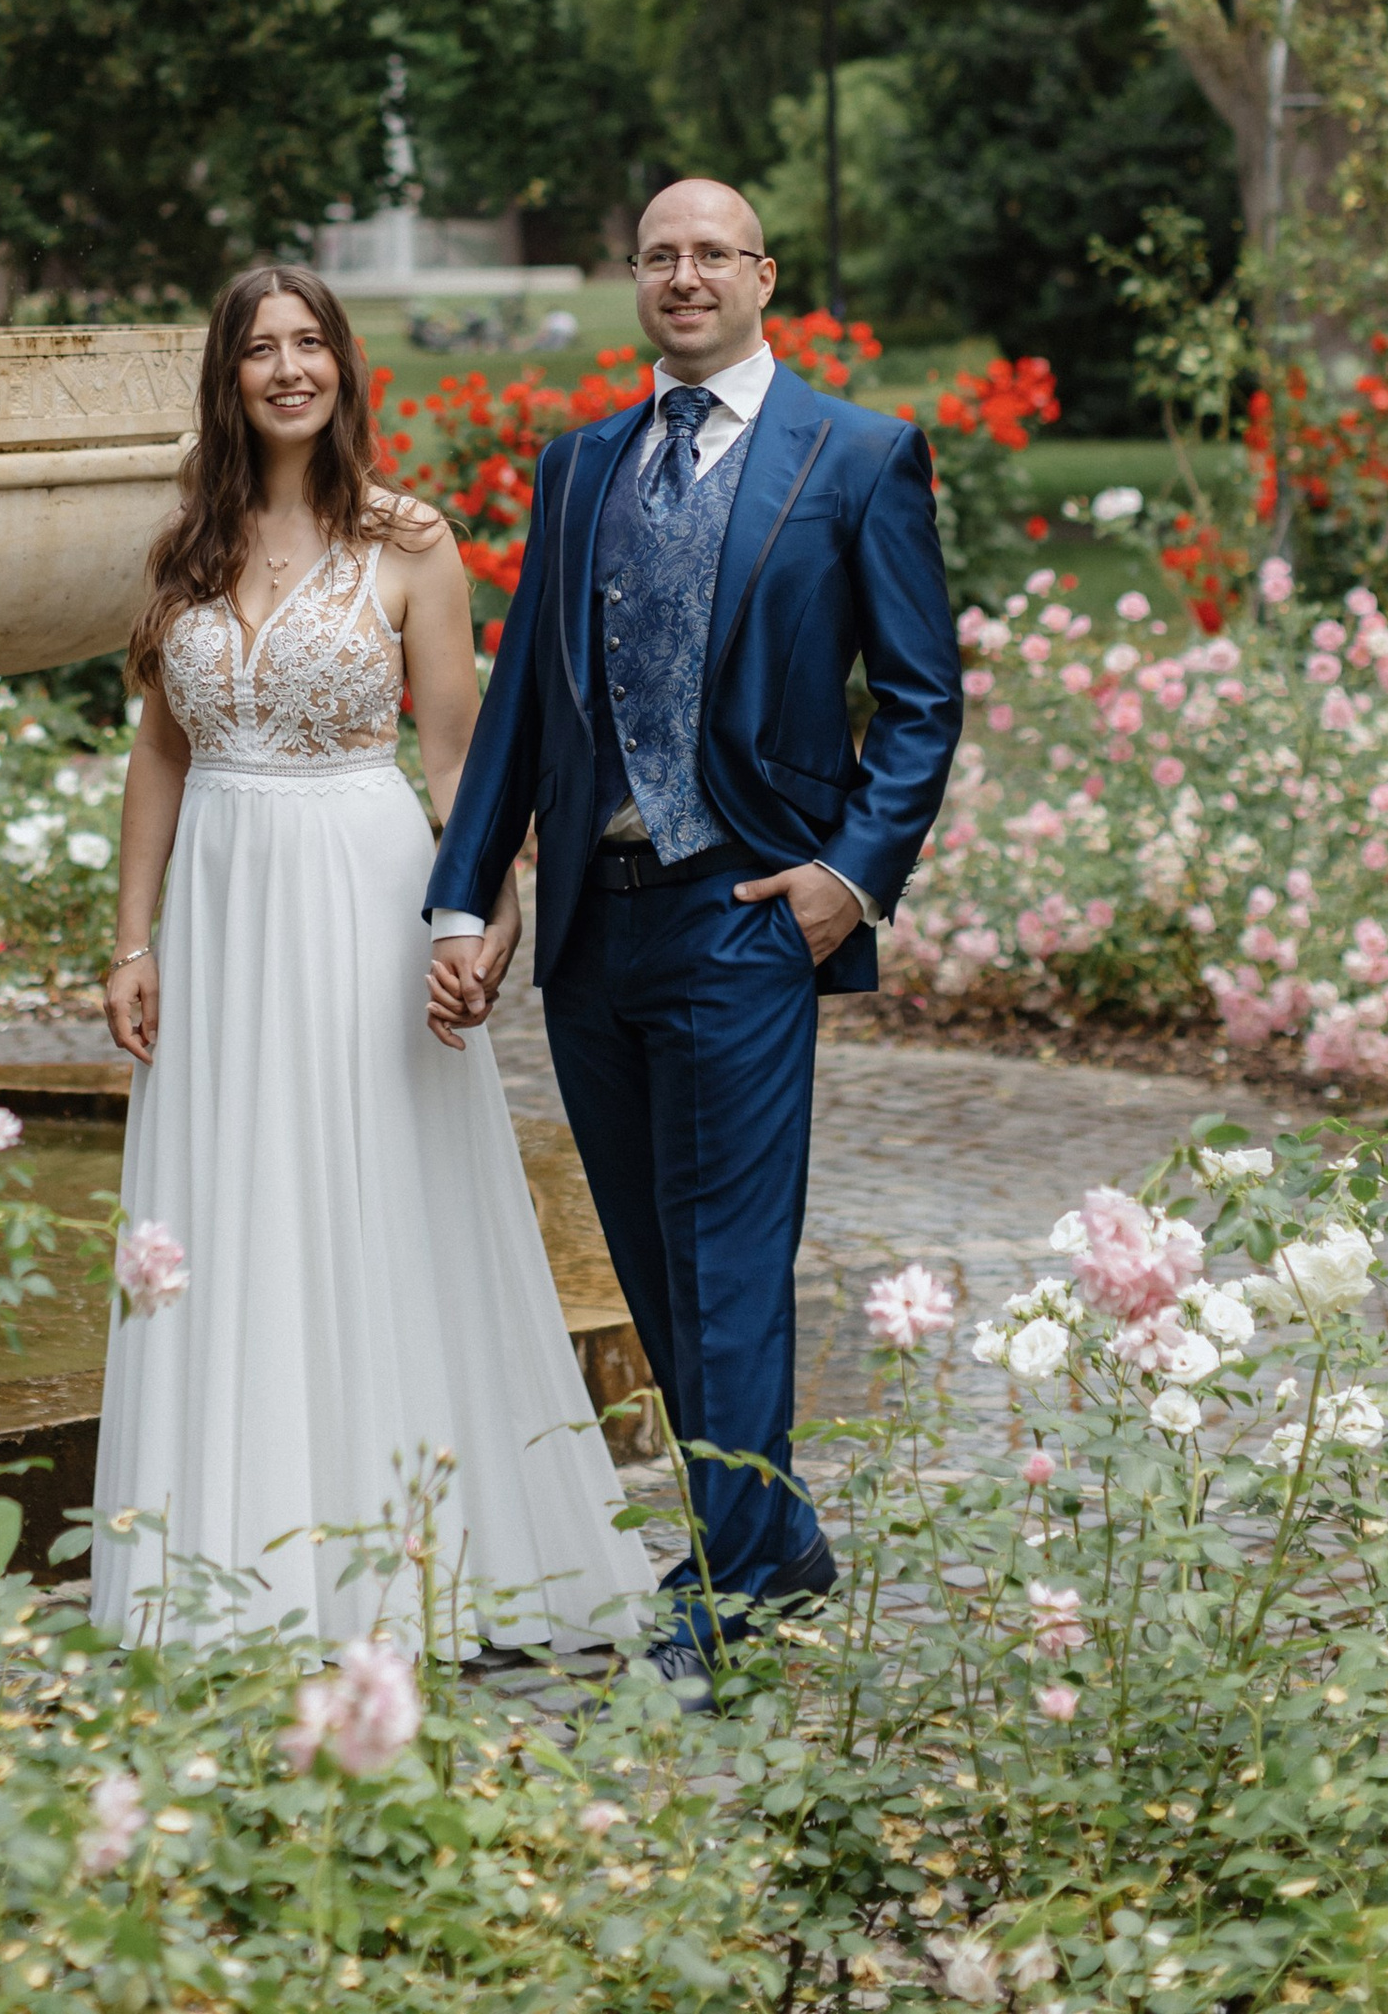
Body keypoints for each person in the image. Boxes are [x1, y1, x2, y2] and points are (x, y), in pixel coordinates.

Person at [425, 179, 961, 1701]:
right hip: (598, 931)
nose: (683, 274)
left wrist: (845, 877)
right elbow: (526, 693)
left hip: (744, 915)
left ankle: (727, 1587)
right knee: (660, 1267)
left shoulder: (857, 458)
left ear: (763, 275)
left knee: (728, 1260)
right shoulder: (583, 460)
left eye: (710, 251)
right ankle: (773, 1536)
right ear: (635, 282)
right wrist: (467, 895)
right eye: (658, 254)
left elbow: (923, 700)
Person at [92, 262, 651, 1653]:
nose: (288, 368)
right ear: (226, 379)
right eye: (258, 349)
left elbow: (458, 761)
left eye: (310, 343)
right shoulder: (182, 549)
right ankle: (236, 1558)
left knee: (380, 1191)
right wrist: (131, 938)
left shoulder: (411, 542)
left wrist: (485, 906)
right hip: (223, 904)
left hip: (361, 882)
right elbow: (159, 752)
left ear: (345, 365)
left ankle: (418, 1559)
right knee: (234, 1202)